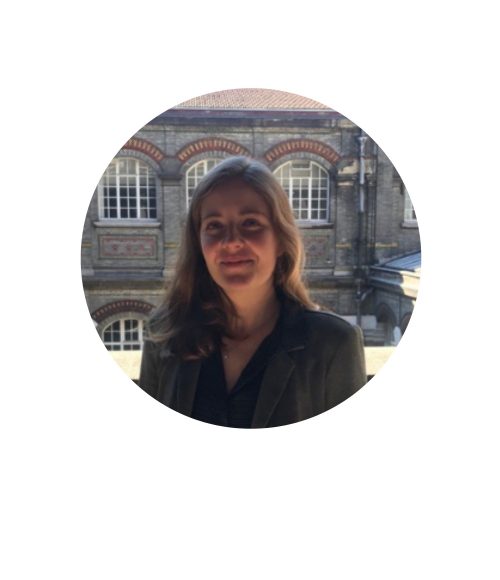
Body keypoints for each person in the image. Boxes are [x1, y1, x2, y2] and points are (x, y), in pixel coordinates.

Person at [139, 156, 366, 428]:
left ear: (281, 240)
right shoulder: (163, 334)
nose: (231, 242)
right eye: (214, 226)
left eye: (250, 223)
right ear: (198, 244)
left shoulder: (334, 344)